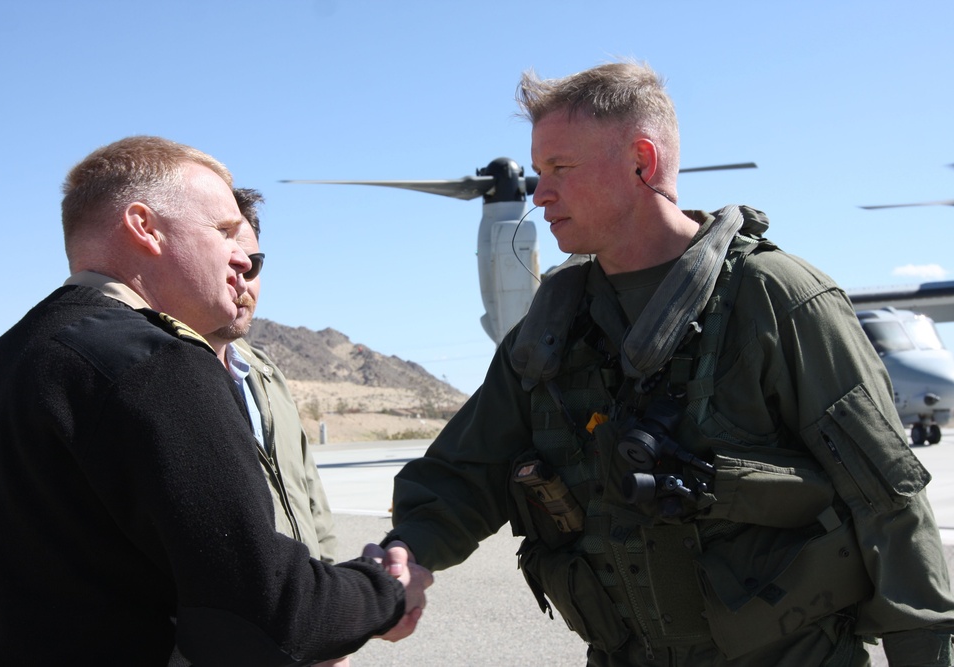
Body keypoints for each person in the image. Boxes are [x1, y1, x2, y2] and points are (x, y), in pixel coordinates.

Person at [377, 62, 954, 666]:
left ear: (642, 163)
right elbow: (464, 474)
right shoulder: (550, 331)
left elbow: (889, 503)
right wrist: (405, 555)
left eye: (560, 169)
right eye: (539, 171)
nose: (540, 192)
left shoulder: (777, 299)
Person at [0, 135, 431, 666]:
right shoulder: (155, 362)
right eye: (224, 231)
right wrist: (385, 592)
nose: (243, 260)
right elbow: (269, 612)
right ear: (144, 227)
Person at [205, 188, 347, 667]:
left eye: (255, 264)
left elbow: (310, 498)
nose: (242, 279)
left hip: (302, 633)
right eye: (231, 262)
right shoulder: (156, 380)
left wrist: (329, 625)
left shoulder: (264, 373)